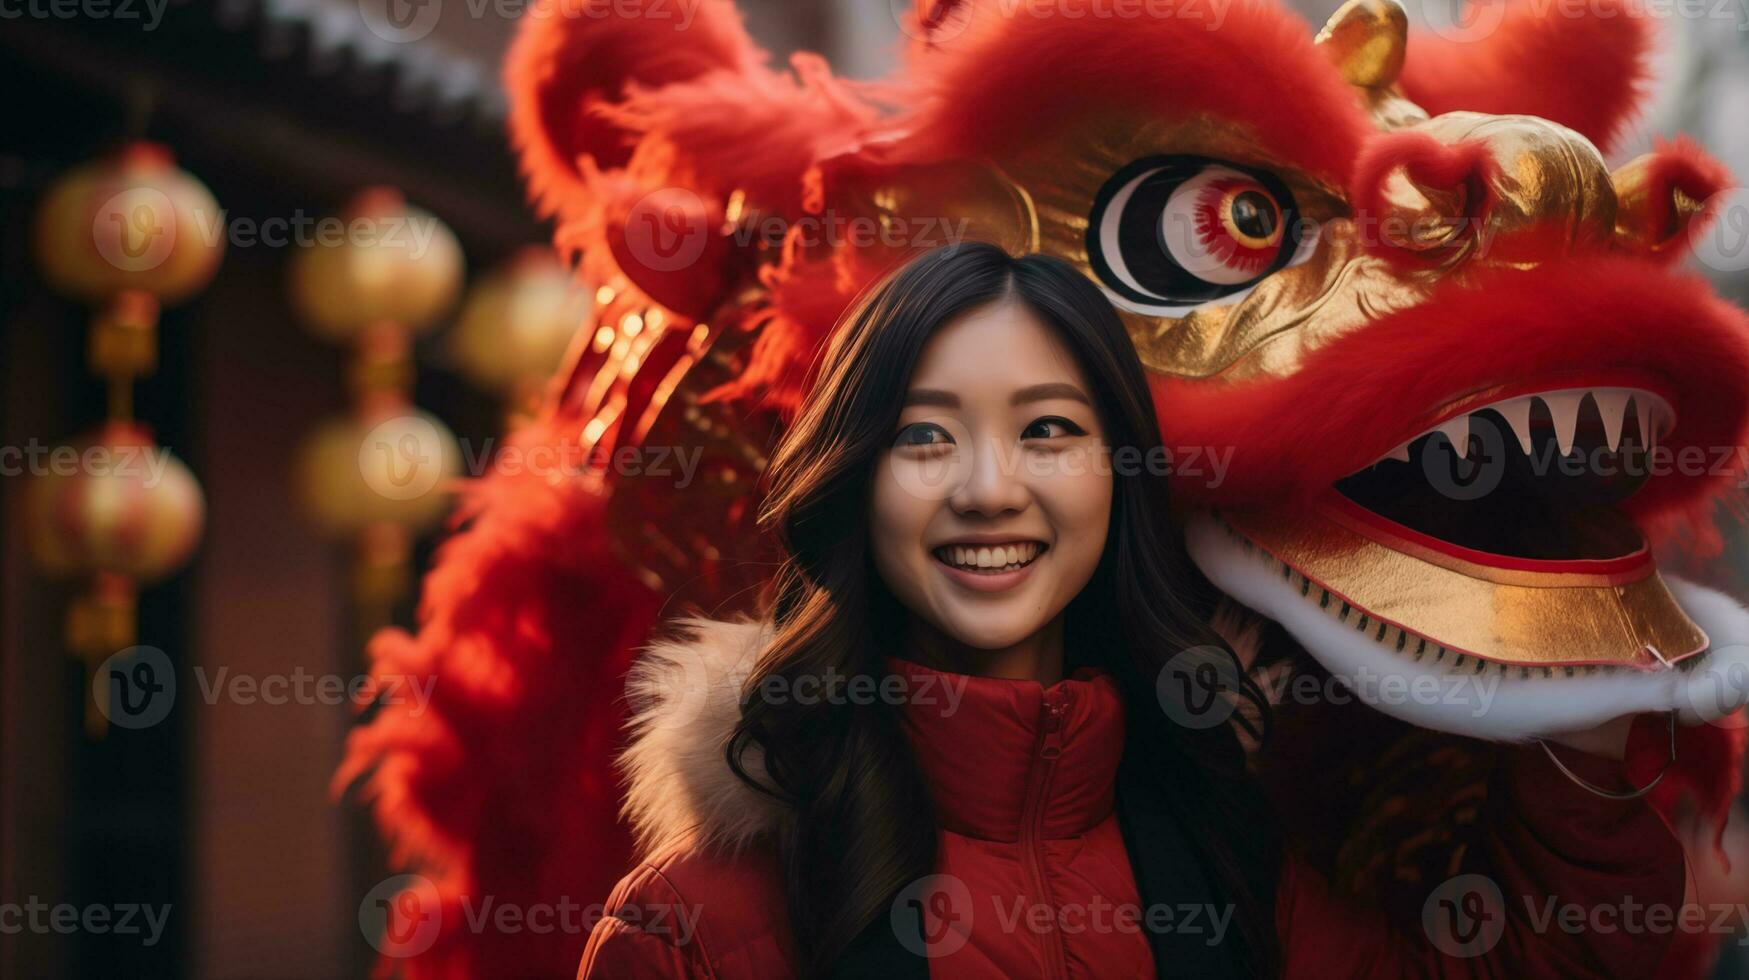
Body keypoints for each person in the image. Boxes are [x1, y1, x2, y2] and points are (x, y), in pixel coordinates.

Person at [576, 243, 1685, 979]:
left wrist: (1573, 697)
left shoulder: (1230, 867)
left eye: (1049, 430)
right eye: (925, 434)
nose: (988, 487)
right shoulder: (695, 923)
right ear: (854, 481)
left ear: (1121, 475)